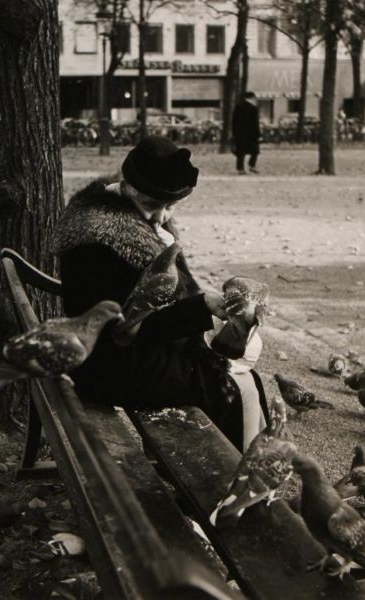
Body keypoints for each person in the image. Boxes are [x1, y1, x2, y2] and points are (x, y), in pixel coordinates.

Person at [52, 135, 268, 451]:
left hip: (124, 353)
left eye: (170, 207)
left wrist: (205, 310)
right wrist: (200, 308)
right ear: (126, 186)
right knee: (231, 386)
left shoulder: (116, 214)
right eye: (153, 205)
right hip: (111, 365)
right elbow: (124, 332)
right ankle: (236, 473)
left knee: (241, 379)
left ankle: (255, 465)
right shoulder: (100, 242)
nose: (162, 216)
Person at [232, 91, 261, 175]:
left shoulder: (238, 107)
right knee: (255, 151)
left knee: (241, 152)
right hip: (251, 134)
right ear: (252, 98)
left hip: (240, 134)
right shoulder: (253, 108)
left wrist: (234, 132)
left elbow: (234, 121)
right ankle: (252, 166)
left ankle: (240, 169)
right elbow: (255, 123)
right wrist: (258, 134)